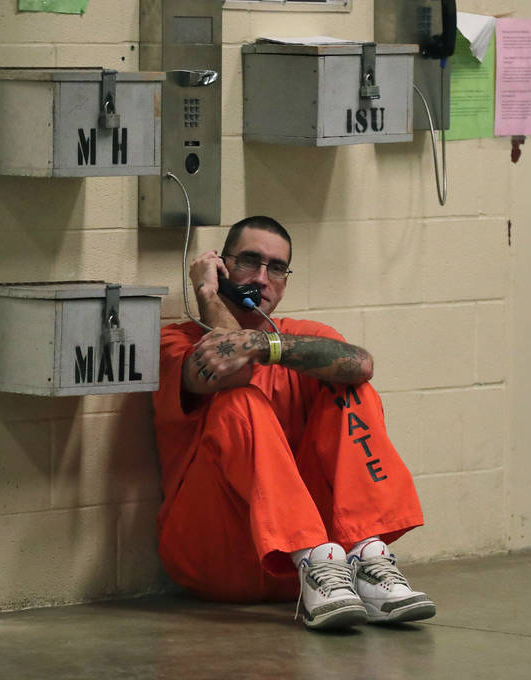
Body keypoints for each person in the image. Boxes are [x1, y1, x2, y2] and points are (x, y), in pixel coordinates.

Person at [152, 215, 434, 630]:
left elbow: (362, 364)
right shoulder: (175, 342)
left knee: (350, 386)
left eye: (277, 267)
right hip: (216, 555)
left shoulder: (297, 337)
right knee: (240, 401)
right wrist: (209, 295)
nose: (263, 278)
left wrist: (263, 344)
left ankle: (366, 555)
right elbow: (231, 369)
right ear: (222, 267)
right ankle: (316, 554)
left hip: (315, 575)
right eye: (249, 262)